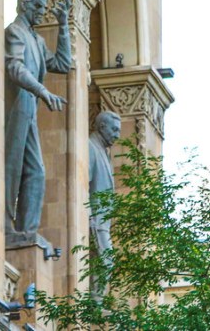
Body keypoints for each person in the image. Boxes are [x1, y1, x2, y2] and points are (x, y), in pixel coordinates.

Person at [4, 0, 71, 234]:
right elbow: (15, 68)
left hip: (29, 109)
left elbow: (62, 64)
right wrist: (42, 91)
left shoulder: (38, 40)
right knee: (12, 166)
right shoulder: (15, 32)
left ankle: (27, 232)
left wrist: (63, 26)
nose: (42, 12)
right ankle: (6, 224)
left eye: (44, 7)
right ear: (24, 5)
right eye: (38, 7)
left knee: (36, 172)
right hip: (17, 106)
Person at [89, 110, 121, 299]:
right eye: (114, 130)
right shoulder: (90, 147)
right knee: (105, 260)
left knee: (105, 260)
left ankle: (97, 300)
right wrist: (89, 216)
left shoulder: (103, 151)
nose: (117, 135)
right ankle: (96, 301)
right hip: (96, 219)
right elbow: (83, 183)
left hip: (103, 221)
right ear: (102, 127)